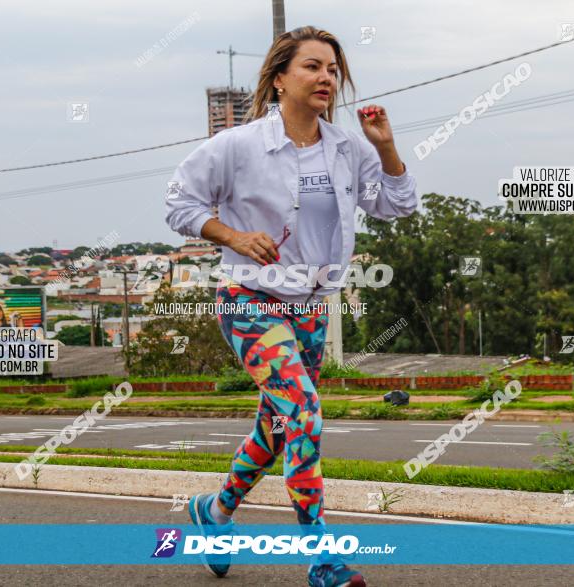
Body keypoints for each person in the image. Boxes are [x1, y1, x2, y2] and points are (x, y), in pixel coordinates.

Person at [165, 25, 418, 587]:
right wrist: (230, 235)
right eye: (312, 66)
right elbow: (179, 201)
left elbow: (398, 206)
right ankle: (321, 557)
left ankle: (216, 511)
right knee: (302, 411)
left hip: (310, 308)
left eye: (332, 69)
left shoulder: (350, 148)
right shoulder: (238, 146)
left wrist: (386, 147)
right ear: (280, 78)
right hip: (249, 298)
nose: (326, 77)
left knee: (278, 428)